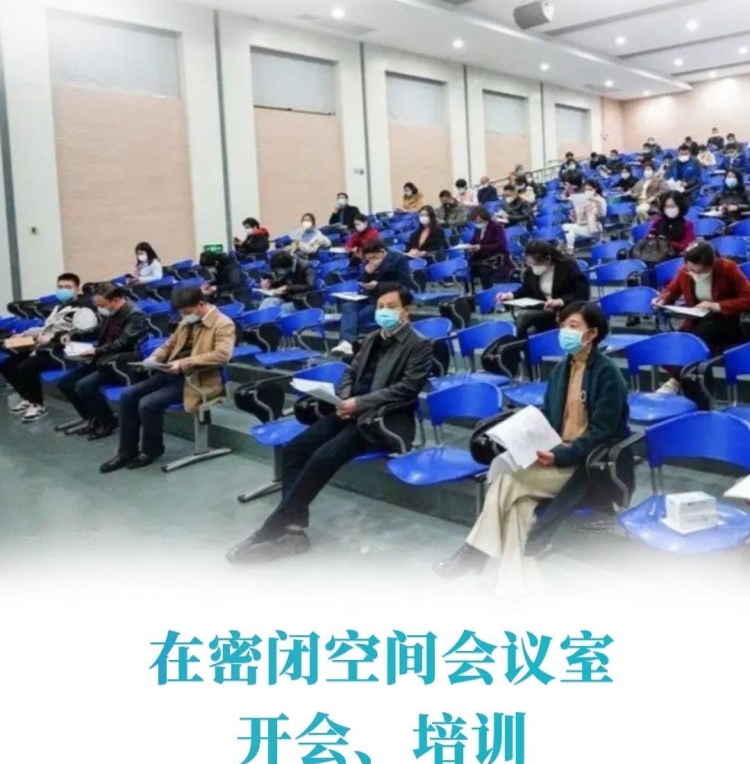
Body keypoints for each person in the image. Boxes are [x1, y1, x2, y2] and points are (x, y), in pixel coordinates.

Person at [226, 284, 433, 565]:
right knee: (296, 449)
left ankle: (274, 526)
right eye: (380, 307)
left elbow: (406, 389)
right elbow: (350, 373)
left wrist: (359, 404)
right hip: (350, 410)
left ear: (406, 311)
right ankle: (293, 528)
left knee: (323, 456)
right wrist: (344, 399)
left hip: (382, 419)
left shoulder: (419, 344)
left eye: (391, 307)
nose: (384, 311)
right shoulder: (372, 337)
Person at [435, 301, 629, 583]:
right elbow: (550, 416)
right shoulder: (561, 370)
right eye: (562, 325)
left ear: (592, 333)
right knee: (517, 505)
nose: (564, 331)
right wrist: (524, 436)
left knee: (507, 484)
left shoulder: (607, 373)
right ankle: (513, 584)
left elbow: (603, 432)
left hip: (586, 463)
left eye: (573, 326)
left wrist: (561, 455)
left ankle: (473, 553)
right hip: (555, 451)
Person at [100, 286, 235, 472]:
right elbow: (169, 345)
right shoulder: (186, 322)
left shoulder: (223, 323)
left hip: (197, 379)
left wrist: (184, 363)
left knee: (148, 404)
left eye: (187, 312)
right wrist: (155, 357)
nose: (184, 316)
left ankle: (151, 450)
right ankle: (126, 452)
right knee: (128, 396)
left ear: (201, 304)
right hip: (170, 373)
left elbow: (222, 355)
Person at [652, 241, 750, 397]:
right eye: (692, 271)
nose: (696, 275)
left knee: (700, 336)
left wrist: (717, 305)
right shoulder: (686, 271)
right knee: (683, 338)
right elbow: (671, 290)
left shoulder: (727, 268)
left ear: (712, 263)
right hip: (699, 320)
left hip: (730, 320)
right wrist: (662, 299)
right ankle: (688, 386)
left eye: (702, 272)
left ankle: (674, 381)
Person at [2, 273, 98, 422]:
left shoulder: (84, 310)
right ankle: (28, 398)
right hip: (44, 346)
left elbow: (82, 334)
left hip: (61, 350)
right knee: (8, 364)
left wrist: (51, 339)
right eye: (60, 287)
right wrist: (27, 334)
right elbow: (48, 326)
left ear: (77, 289)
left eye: (67, 287)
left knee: (25, 367)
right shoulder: (59, 306)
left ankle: (37, 404)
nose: (63, 290)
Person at [56, 285, 149, 438]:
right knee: (65, 384)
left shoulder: (135, 316)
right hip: (103, 359)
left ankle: (108, 422)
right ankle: (92, 418)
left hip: (120, 363)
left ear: (115, 301)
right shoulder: (110, 312)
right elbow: (97, 331)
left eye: (102, 305)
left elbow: (122, 343)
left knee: (84, 386)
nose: (99, 309)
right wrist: (73, 335)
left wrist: (96, 351)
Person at [331, 238, 412, 358]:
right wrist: (367, 272)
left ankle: (348, 342)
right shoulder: (370, 262)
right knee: (348, 306)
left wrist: (379, 285)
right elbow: (361, 281)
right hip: (370, 297)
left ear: (382, 251)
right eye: (368, 259)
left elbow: (404, 284)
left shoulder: (398, 259)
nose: (372, 260)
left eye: (374, 257)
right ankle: (346, 343)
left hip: (389, 300)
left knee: (354, 317)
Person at [464, 206, 512, 290]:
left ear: (484, 218)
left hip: (496, 258)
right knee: (466, 269)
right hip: (482, 258)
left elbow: (500, 245)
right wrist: (469, 246)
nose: (476, 223)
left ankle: (488, 292)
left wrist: (481, 247)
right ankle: (470, 292)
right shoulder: (478, 229)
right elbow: (473, 241)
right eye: (475, 221)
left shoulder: (496, 227)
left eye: (478, 221)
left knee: (484, 271)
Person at [647, 191, 696, 257]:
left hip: (677, 257)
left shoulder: (687, 225)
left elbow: (686, 246)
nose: (670, 209)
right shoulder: (657, 222)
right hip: (657, 255)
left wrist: (668, 243)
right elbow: (650, 238)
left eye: (673, 206)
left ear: (680, 207)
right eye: (667, 206)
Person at [563, 179, 607, 251]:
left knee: (567, 228)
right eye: (586, 190)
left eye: (590, 189)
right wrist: (573, 215)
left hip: (595, 227)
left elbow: (602, 215)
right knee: (565, 227)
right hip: (582, 226)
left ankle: (570, 249)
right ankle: (570, 248)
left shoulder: (600, 200)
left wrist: (597, 203)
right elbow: (576, 218)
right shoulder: (582, 199)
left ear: (595, 189)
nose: (587, 192)